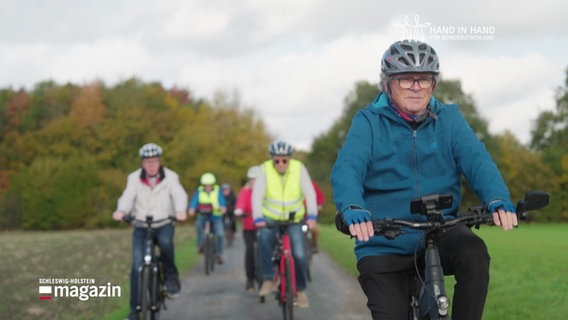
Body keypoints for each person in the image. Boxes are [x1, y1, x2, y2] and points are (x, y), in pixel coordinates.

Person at [331, 39, 518, 320]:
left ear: (434, 84)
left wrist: (497, 198)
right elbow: (348, 167)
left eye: (425, 79)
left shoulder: (449, 119)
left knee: (474, 252)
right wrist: (352, 207)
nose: (416, 87)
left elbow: (477, 160)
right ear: (387, 83)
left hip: (438, 231)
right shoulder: (368, 122)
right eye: (406, 79)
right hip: (384, 240)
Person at [112, 143, 188, 320]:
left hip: (164, 222)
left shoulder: (170, 177)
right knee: (137, 265)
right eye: (148, 162)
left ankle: (170, 279)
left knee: (166, 244)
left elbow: (179, 194)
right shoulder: (133, 178)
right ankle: (134, 311)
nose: (151, 165)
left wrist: (180, 210)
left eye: (154, 161)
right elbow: (127, 196)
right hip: (140, 224)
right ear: (142, 163)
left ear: (159, 161)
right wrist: (121, 211)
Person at [252, 140, 318, 308]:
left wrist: (312, 214)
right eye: (277, 160)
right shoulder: (264, 169)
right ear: (272, 159)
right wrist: (258, 217)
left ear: (289, 159)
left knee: (300, 254)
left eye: (284, 160)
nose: (281, 164)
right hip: (270, 218)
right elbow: (257, 194)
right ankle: (268, 280)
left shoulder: (299, 168)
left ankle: (301, 291)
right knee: (264, 240)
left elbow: (309, 192)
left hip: (294, 219)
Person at [188, 172, 227, 264]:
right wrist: (192, 209)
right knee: (198, 224)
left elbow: (222, 202)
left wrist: (223, 208)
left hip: (215, 216)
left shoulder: (217, 191)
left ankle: (218, 254)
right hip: (203, 215)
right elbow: (194, 201)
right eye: (206, 185)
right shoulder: (199, 191)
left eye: (209, 185)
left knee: (220, 234)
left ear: (213, 184)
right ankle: (200, 244)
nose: (208, 187)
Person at [234, 165, 261, 291]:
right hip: (249, 226)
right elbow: (241, 202)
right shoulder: (245, 191)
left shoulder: (267, 191)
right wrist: (239, 210)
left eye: (256, 179)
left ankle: (269, 277)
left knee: (269, 249)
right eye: (252, 179)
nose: (254, 182)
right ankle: (250, 279)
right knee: (250, 251)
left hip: (264, 225)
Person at [306, 180, 325, 253]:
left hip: (310, 216)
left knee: (315, 230)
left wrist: (319, 205)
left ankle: (314, 245)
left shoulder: (312, 185)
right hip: (297, 217)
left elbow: (320, 196)